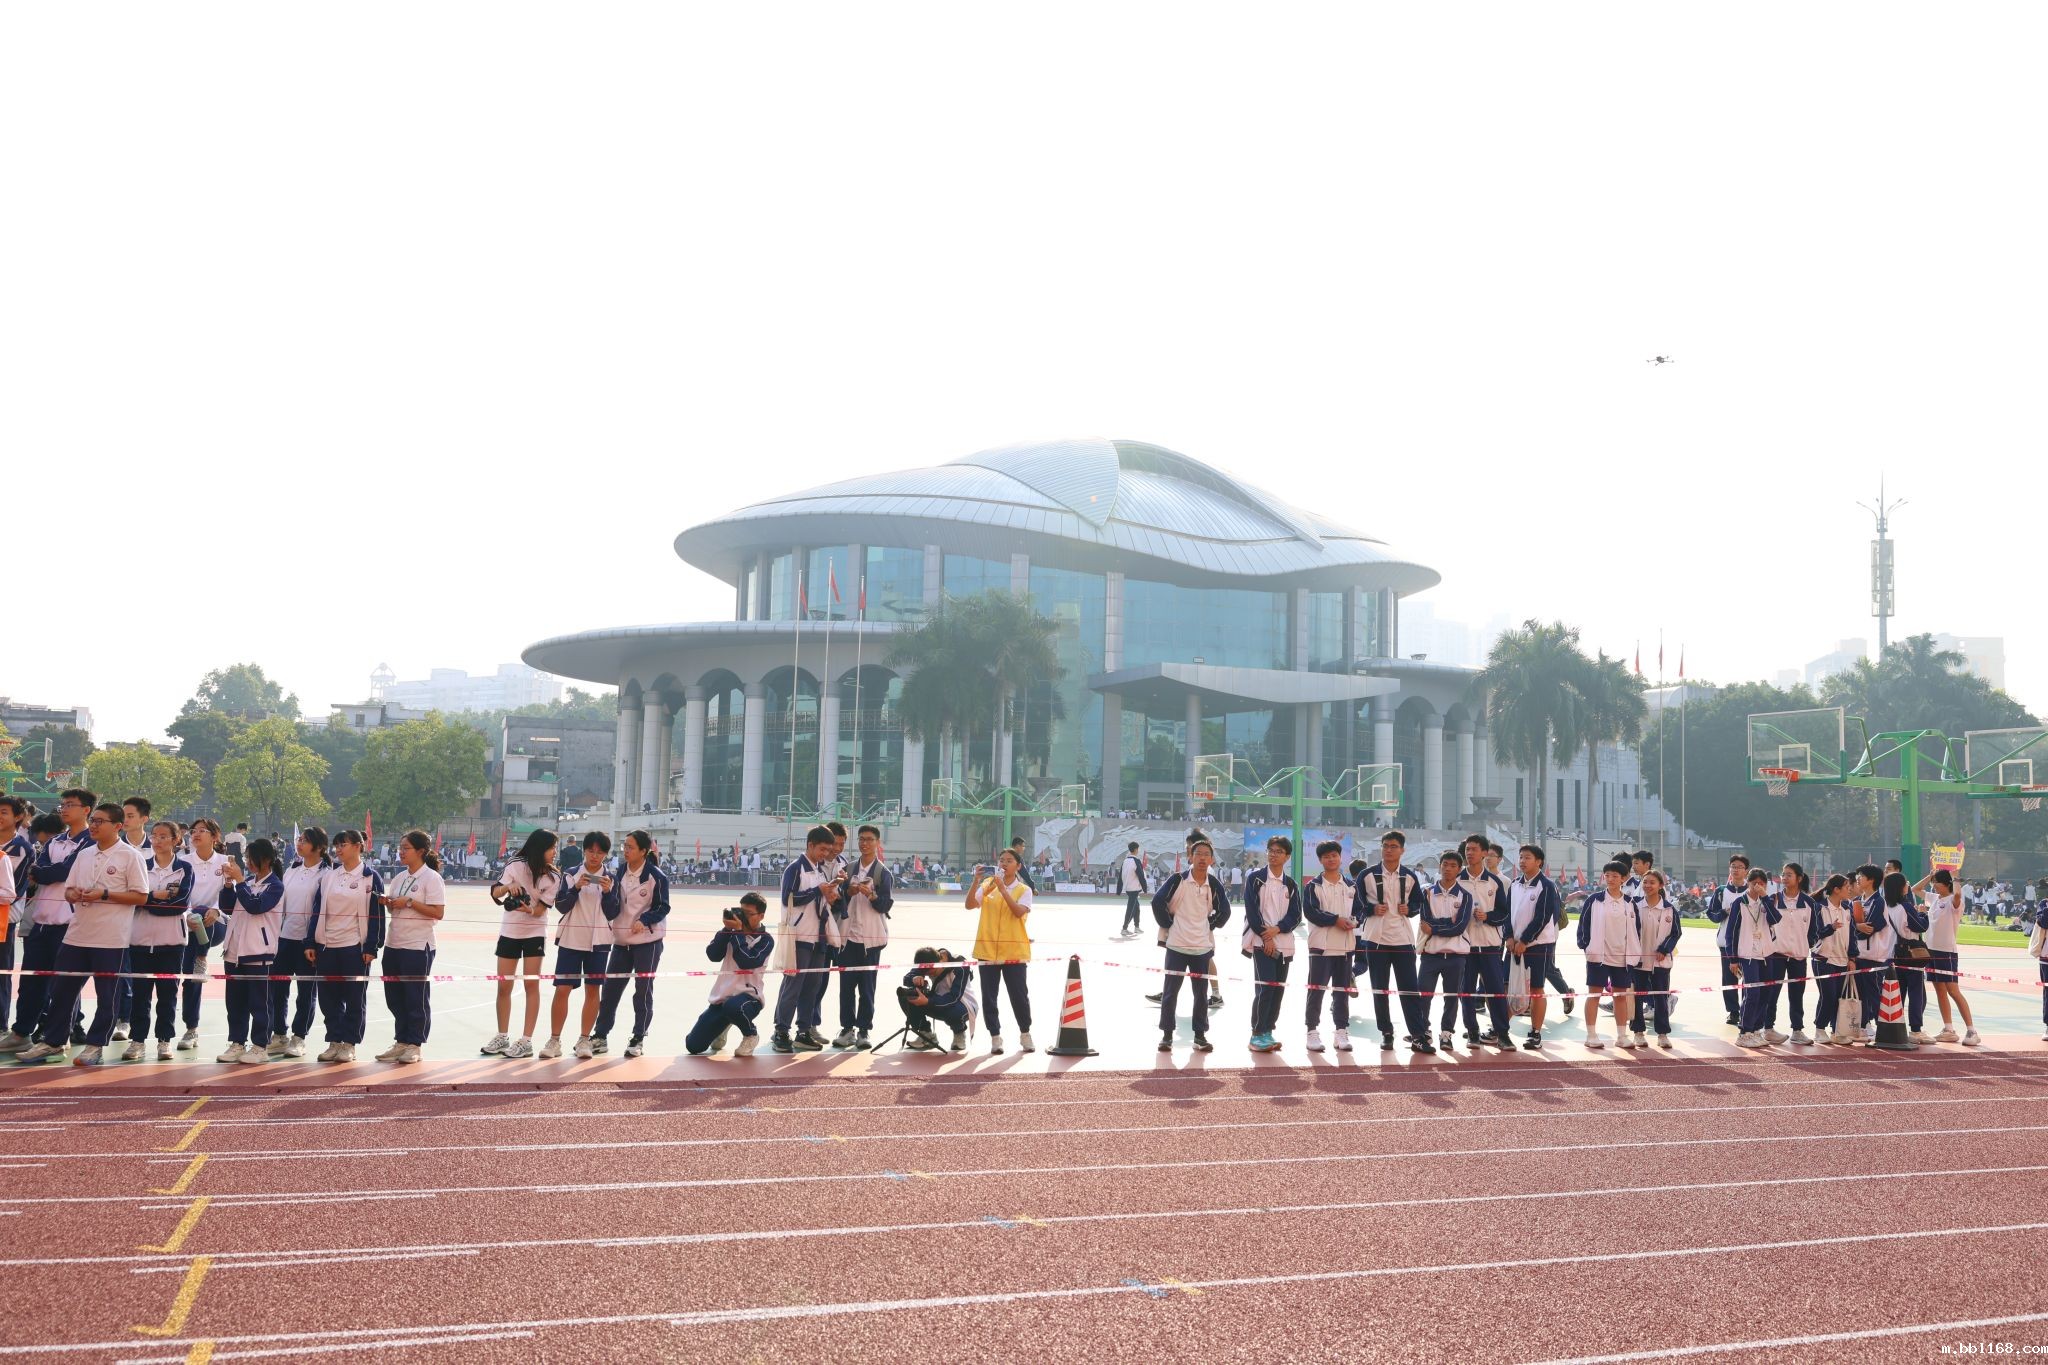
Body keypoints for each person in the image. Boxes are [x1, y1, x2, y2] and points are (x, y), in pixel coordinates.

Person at [17, 803, 149, 1065]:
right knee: (62, 990)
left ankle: (95, 1046)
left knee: (107, 995)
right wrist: (74, 894)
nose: (95, 825)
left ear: (118, 826)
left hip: (111, 938)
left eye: (101, 821)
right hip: (76, 934)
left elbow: (141, 896)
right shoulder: (84, 854)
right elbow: (68, 890)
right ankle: (54, 1042)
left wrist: (105, 894)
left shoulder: (130, 856)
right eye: (94, 820)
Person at [0, 788, 95, 1055]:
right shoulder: (56, 841)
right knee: (31, 982)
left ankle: (59, 1038)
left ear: (86, 810)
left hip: (69, 922)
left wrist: (48, 872)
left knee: (64, 985)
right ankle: (21, 1033)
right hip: (41, 921)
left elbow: (65, 871)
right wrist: (48, 872)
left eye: (70, 804)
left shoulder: (90, 842)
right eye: (63, 804)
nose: (64, 808)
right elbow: (36, 872)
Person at [306, 829, 384, 1063]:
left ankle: (349, 1044)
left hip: (354, 948)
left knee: (354, 998)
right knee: (328, 998)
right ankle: (334, 1041)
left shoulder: (370, 877)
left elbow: (377, 915)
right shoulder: (329, 876)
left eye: (344, 844)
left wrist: (371, 947)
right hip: (327, 946)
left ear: (358, 846)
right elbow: (317, 911)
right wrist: (311, 941)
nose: (338, 849)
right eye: (337, 845)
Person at [484, 830, 560, 1059]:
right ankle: (502, 1036)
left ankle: (526, 1041)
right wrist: (510, 887)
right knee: (504, 986)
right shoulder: (515, 864)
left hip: (534, 933)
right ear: (540, 848)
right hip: (510, 931)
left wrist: (529, 909)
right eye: (552, 848)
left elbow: (540, 910)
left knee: (531, 986)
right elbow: (496, 892)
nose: (554, 852)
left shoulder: (553, 877)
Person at [594, 831, 671, 1059]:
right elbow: (613, 905)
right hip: (621, 942)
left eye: (630, 847)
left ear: (643, 851)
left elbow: (663, 907)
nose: (625, 851)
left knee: (642, 991)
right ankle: (600, 1035)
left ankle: (638, 1037)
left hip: (647, 942)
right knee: (610, 990)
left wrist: (644, 920)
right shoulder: (618, 872)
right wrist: (606, 893)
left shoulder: (656, 876)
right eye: (624, 846)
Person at [1150, 836, 1231, 1052]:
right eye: (1198, 854)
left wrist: (1210, 925)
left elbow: (1225, 910)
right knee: (1170, 993)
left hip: (1201, 948)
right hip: (1176, 945)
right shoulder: (1178, 880)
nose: (1202, 858)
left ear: (1212, 860)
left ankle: (1200, 1036)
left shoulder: (1213, 884)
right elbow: (1157, 901)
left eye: (1207, 855)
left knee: (1201, 995)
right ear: (1190, 857)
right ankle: (1167, 1035)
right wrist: (1168, 923)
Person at [1353, 831, 1430, 1053]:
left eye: (1394, 846)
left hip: (1403, 940)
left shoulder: (1410, 876)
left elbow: (1418, 904)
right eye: (1385, 845)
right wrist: (1371, 909)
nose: (1388, 849)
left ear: (1402, 850)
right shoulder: (1366, 875)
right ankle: (1386, 1032)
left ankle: (1418, 1035)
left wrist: (1410, 909)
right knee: (1380, 989)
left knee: (1409, 989)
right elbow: (1357, 906)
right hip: (1375, 939)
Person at [374, 830, 446, 1065]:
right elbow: (395, 909)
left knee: (416, 997)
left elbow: (438, 912)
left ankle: (415, 1044)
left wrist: (410, 902)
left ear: (421, 851)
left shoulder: (431, 878)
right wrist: (388, 903)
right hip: (394, 943)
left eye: (406, 848)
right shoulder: (399, 878)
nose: (401, 852)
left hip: (417, 945)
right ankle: (401, 1041)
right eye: (400, 848)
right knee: (394, 997)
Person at [124, 820, 193, 1061]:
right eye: (154, 835)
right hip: (139, 941)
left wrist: (148, 903)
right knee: (139, 995)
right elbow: (132, 900)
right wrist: (156, 897)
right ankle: (137, 1041)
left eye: (164, 836)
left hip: (172, 942)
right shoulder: (141, 866)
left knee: (167, 995)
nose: (157, 840)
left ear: (176, 840)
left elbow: (179, 904)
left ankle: (164, 1041)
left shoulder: (184, 868)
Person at [545, 832, 617, 1061]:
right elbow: (561, 906)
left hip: (599, 943)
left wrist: (608, 893)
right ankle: (554, 1040)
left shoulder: (610, 878)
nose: (595, 856)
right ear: (584, 850)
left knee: (593, 990)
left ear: (606, 854)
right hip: (571, 941)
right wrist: (576, 887)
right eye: (591, 851)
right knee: (562, 989)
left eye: (600, 852)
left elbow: (613, 912)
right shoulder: (570, 874)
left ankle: (584, 1039)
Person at [770, 826, 841, 1054]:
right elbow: (788, 899)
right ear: (810, 845)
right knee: (793, 986)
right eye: (822, 849)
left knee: (812, 987)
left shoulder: (819, 871)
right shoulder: (795, 868)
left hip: (819, 937)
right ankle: (781, 1031)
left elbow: (819, 899)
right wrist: (818, 891)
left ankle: (804, 1031)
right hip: (799, 936)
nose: (825, 854)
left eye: (828, 850)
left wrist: (830, 894)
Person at [213, 837, 283, 1064]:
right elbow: (227, 907)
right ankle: (237, 1043)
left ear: (267, 859)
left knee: (259, 1003)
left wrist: (240, 881)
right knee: (235, 1002)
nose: (248, 862)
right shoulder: (249, 882)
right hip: (234, 951)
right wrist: (228, 885)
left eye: (252, 858)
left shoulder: (275, 886)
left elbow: (255, 906)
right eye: (246, 857)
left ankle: (260, 1046)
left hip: (258, 952)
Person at [686, 893, 774, 1056]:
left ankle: (750, 1035)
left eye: (748, 914)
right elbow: (713, 955)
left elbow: (747, 961)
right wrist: (726, 930)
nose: (743, 917)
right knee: (693, 1045)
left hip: (749, 998)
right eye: (741, 912)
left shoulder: (765, 940)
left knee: (733, 1007)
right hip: (722, 998)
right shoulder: (731, 933)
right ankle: (724, 1026)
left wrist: (738, 932)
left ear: (761, 916)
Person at [831, 825, 894, 1051]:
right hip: (848, 938)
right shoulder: (847, 870)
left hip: (871, 941)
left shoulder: (883, 874)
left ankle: (864, 1030)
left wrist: (872, 895)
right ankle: (847, 1029)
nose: (864, 843)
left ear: (877, 843)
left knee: (867, 989)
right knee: (846, 987)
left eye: (869, 839)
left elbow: (885, 906)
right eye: (861, 839)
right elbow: (836, 902)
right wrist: (847, 892)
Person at [267, 828, 328, 1059]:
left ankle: (299, 1037)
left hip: (309, 942)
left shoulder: (326, 874)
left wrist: (312, 941)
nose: (299, 843)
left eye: (305, 841)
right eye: (299, 839)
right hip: (284, 938)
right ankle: (279, 1034)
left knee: (306, 992)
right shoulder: (291, 870)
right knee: (278, 989)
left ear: (319, 847)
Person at [967, 849, 1035, 1054]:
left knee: (1019, 996)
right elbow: (970, 905)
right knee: (989, 997)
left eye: (1009, 861)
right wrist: (976, 882)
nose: (1004, 864)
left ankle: (1025, 1033)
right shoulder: (988, 885)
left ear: (1018, 866)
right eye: (1001, 860)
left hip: (1014, 952)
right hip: (987, 950)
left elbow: (1018, 912)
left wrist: (1003, 889)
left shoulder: (1024, 890)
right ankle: (995, 1037)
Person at [1241, 836, 1300, 1053]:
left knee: (1277, 990)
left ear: (1287, 857)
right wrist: (1266, 937)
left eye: (1279, 851)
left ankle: (1268, 1031)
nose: (1273, 854)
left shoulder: (1290, 884)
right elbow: (1252, 911)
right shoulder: (1255, 879)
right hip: (1261, 942)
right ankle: (1257, 1034)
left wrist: (1278, 929)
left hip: (1284, 944)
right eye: (1271, 850)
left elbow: (1296, 915)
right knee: (1265, 988)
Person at [177, 818, 232, 1051]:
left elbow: (230, 895)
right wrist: (188, 914)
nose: (196, 834)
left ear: (215, 837)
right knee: (191, 979)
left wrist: (216, 910)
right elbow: (181, 894)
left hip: (216, 924)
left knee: (203, 913)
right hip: (188, 924)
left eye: (202, 831)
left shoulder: (225, 863)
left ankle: (202, 958)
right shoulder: (183, 862)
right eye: (193, 831)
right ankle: (191, 1029)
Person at [1456, 835, 1514, 1048]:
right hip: (1464, 945)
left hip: (1490, 946)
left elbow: (1503, 913)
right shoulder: (1457, 879)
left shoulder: (1494, 882)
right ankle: (1472, 1031)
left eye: (1474, 849)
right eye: (1467, 849)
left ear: (1484, 853)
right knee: (1466, 991)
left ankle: (1502, 1033)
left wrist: (1487, 916)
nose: (1469, 853)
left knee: (1496, 991)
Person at [1504, 844, 1564, 1049]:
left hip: (1539, 946)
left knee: (1536, 988)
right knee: (1507, 986)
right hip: (1514, 946)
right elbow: (1507, 914)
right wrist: (1509, 937)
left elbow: (1543, 917)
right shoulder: (1514, 884)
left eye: (1527, 857)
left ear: (1539, 862)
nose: (1522, 861)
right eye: (1521, 857)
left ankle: (1535, 1033)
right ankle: (1501, 1028)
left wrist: (1525, 941)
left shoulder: (1546, 886)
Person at [1300, 839, 1357, 1053]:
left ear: (1340, 857)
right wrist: (1335, 920)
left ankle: (1341, 1031)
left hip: (1345, 947)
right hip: (1320, 947)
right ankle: (1312, 1031)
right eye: (1326, 856)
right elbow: (1311, 912)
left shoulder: (1351, 886)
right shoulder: (1313, 886)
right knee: (1316, 991)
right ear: (1320, 860)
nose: (1331, 859)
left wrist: (1353, 921)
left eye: (1334, 855)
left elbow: (1360, 910)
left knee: (1341, 992)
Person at [1576, 861, 1640, 1049]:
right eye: (1607, 875)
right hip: (1598, 956)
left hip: (1622, 957)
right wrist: (1586, 947)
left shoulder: (1630, 903)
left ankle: (1621, 1036)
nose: (1610, 879)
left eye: (1615, 876)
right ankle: (1591, 1035)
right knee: (1594, 995)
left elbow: (1637, 929)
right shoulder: (1594, 900)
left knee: (1620, 996)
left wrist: (1634, 952)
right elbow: (1583, 925)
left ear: (1623, 878)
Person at [1416, 851, 1473, 1050]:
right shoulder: (1427, 893)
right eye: (1445, 864)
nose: (1447, 869)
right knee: (1424, 995)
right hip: (1430, 955)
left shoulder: (1465, 896)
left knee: (1451, 997)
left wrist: (1435, 928)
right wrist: (1448, 923)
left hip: (1456, 956)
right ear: (1439, 866)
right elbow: (1425, 922)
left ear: (1459, 869)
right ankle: (1423, 1031)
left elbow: (1460, 927)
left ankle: (1446, 1033)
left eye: (1452, 866)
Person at [1915, 869, 1978, 1045]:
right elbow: (1915, 889)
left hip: (1946, 952)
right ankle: (1948, 1029)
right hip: (1931, 950)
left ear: (1946, 883)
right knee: (1939, 990)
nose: (1933, 885)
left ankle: (1972, 1031)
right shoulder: (1934, 898)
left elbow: (1957, 894)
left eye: (1936, 882)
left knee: (1953, 991)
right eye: (1933, 882)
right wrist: (1929, 876)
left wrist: (1956, 877)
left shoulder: (1954, 901)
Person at [1880, 869, 1934, 1044]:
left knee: (1898, 993)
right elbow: (1920, 926)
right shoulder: (1905, 907)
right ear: (1901, 888)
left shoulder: (1886, 906)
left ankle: (1897, 1026)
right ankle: (1916, 1030)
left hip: (1892, 954)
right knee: (1916, 992)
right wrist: (1923, 913)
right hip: (1910, 954)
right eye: (1906, 885)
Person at [1630, 870, 1681, 1048]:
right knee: (1637, 997)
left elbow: (1675, 933)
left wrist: (1664, 949)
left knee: (1660, 997)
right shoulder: (1634, 905)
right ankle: (1638, 1032)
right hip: (1638, 961)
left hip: (1661, 962)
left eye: (1652, 882)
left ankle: (1662, 1034)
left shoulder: (1669, 908)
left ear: (1660, 885)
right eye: (1645, 882)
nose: (1648, 886)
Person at [1770, 863, 1821, 1045]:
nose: (1784, 878)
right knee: (1772, 992)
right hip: (1776, 955)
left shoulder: (1809, 903)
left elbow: (1814, 930)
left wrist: (1807, 944)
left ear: (1799, 878)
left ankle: (1797, 1030)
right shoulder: (1774, 899)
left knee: (1797, 994)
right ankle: (1768, 1028)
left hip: (1799, 956)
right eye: (1783, 874)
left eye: (1789, 874)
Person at [1703, 854, 1752, 1028]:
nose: (1736, 870)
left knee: (1749, 978)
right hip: (1726, 942)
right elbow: (1712, 914)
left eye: (1740, 867)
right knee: (1729, 978)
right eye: (1733, 866)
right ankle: (1733, 1011)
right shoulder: (1721, 891)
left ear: (1746, 871)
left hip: (1748, 942)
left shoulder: (1751, 890)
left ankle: (1747, 1010)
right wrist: (1724, 912)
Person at [1811, 874, 1858, 1045]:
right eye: (1846, 886)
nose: (1849, 889)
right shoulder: (1819, 907)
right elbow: (1815, 934)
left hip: (1842, 959)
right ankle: (1819, 1029)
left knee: (1839, 997)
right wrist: (1830, 928)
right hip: (1823, 959)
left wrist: (1852, 958)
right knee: (1828, 996)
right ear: (1837, 890)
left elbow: (1852, 934)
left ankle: (1836, 1031)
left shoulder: (1847, 908)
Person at [1848, 863, 1891, 1040]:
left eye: (1861, 876)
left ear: (1871, 880)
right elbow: (1854, 926)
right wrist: (1857, 926)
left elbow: (1869, 929)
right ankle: (1864, 1026)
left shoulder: (1878, 902)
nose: (1857, 879)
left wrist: (1855, 928)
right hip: (1858, 955)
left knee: (1874, 992)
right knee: (1860, 993)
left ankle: (1884, 1028)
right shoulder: (1858, 901)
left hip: (1873, 955)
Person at [0, 797, 32, 1038]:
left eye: (4, 812)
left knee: (1, 973)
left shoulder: (21, 848)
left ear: (18, 817)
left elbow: (14, 891)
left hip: (5, 920)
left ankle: (1, 1024)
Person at [900, 948, 972, 1052]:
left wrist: (928, 1002)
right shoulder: (927, 959)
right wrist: (914, 978)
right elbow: (907, 978)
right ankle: (926, 1034)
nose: (930, 975)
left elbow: (954, 997)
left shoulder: (960, 965)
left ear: (939, 962)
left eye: (931, 972)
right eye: (925, 973)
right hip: (936, 999)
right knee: (905, 996)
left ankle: (959, 1033)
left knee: (953, 1011)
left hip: (962, 1003)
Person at [1115, 841, 1146, 938]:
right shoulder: (1136, 861)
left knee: (1136, 907)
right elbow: (1141, 876)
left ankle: (1136, 927)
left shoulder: (1125, 861)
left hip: (1128, 888)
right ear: (1136, 849)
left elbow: (1120, 876)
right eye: (1138, 849)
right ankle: (1124, 928)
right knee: (1131, 909)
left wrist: (1119, 890)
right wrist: (1145, 888)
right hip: (1134, 888)